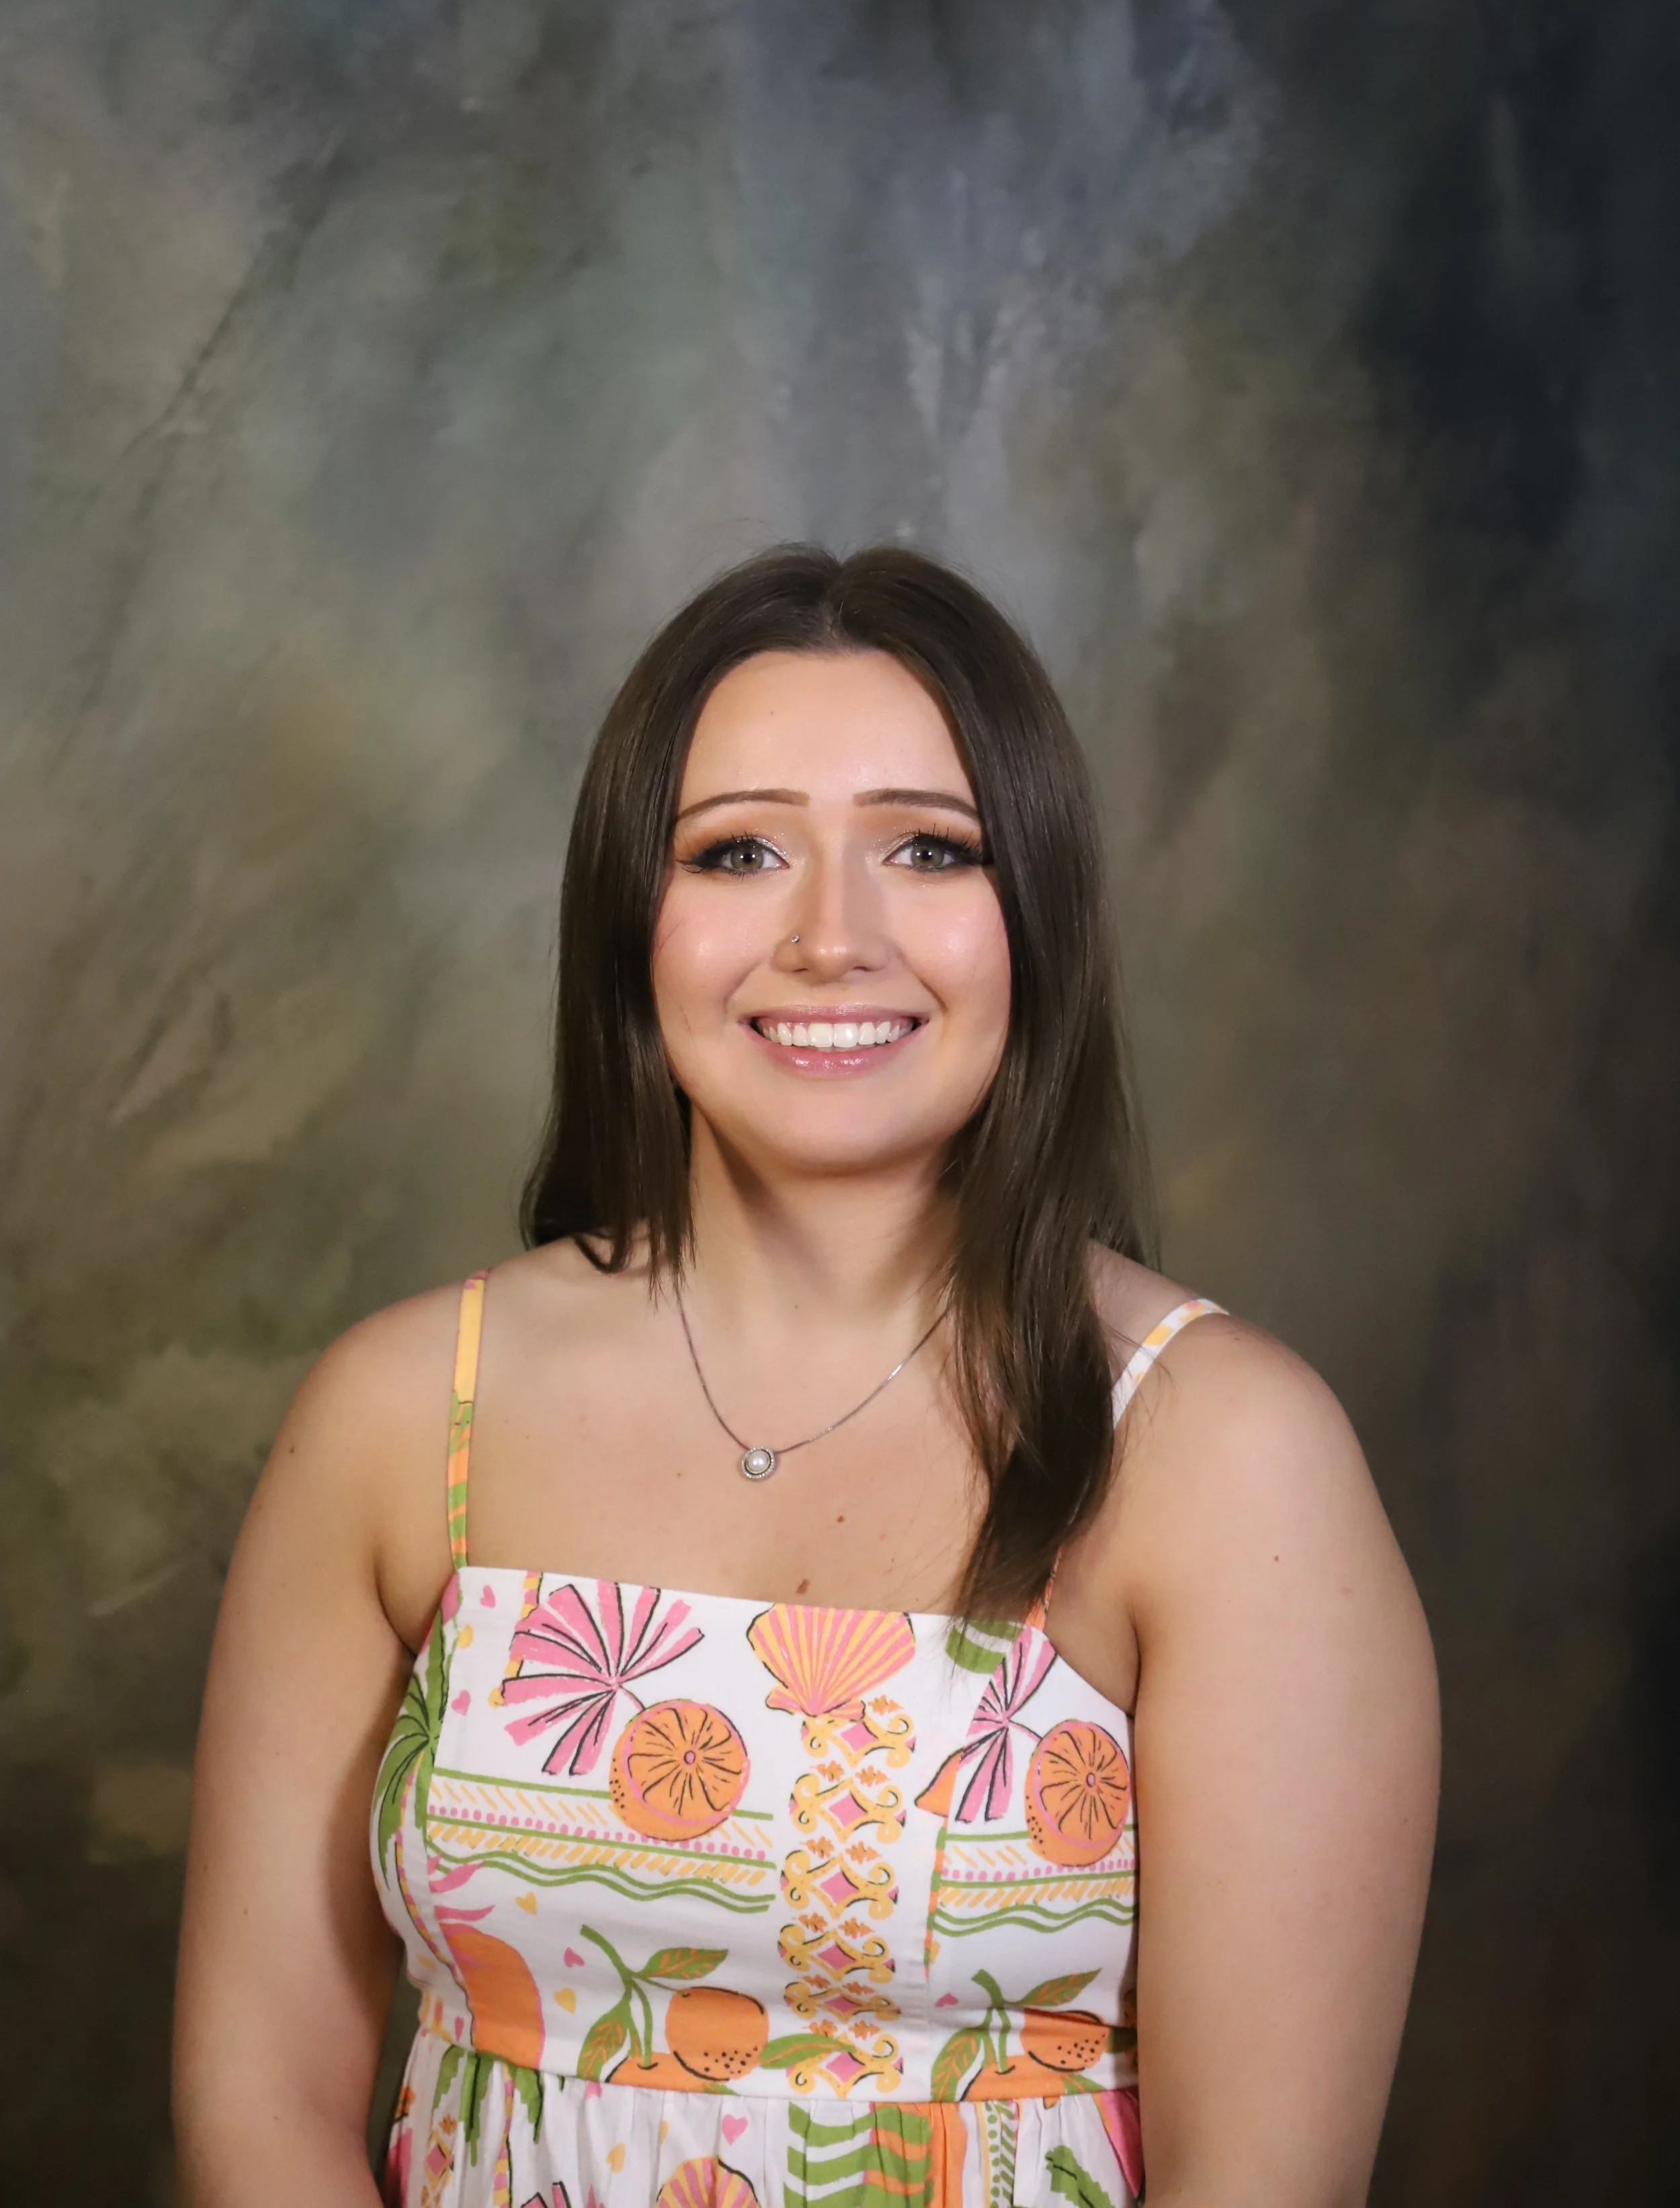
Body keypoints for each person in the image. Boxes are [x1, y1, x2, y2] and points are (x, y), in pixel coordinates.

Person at [174, 544, 1438, 2208]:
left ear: (1034, 915)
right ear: (635, 918)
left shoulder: (1225, 1455)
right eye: (740, 851)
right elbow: (256, 2103)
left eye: (928, 848)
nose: (830, 937)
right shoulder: (407, 1418)